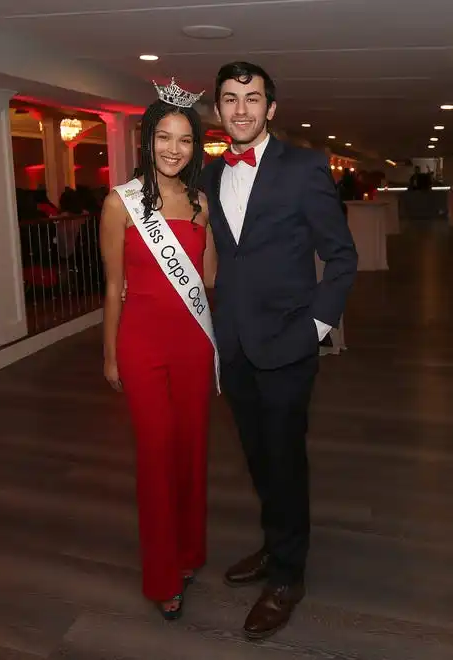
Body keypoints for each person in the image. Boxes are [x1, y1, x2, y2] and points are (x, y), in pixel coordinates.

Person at [199, 62, 358, 639]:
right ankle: (275, 545)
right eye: (230, 100)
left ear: (272, 109)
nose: (241, 109)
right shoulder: (213, 176)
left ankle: (288, 576)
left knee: (285, 460)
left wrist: (314, 328)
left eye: (252, 99)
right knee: (259, 457)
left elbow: (342, 258)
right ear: (218, 110)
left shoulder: (306, 167)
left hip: (290, 343)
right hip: (236, 345)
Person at [100, 79, 218, 620]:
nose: (174, 148)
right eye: (163, 137)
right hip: (142, 343)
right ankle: (162, 574)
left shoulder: (199, 202)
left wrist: (217, 225)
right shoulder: (118, 203)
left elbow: (208, 277)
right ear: (146, 141)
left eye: (186, 139)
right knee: (155, 453)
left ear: (196, 146)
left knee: (191, 448)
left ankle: (189, 552)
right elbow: (111, 286)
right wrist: (109, 354)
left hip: (193, 343)